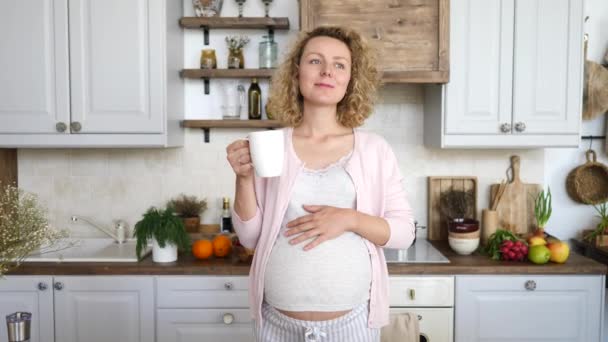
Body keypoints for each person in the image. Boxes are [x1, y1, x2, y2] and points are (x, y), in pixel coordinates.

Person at [226, 26, 415, 341]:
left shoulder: (374, 149)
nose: (328, 71)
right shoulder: (270, 146)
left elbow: (404, 233)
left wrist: (349, 219)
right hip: (277, 326)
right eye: (315, 61)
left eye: (340, 64)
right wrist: (243, 178)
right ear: (296, 71)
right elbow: (249, 237)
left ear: (350, 79)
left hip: (352, 327)